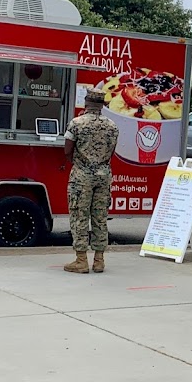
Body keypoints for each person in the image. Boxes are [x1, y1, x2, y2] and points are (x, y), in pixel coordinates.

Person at [62, 88, 120, 274]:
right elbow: (112, 151)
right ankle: (99, 260)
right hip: (104, 176)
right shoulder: (112, 126)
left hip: (82, 176)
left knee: (80, 215)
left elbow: (67, 150)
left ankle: (81, 260)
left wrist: (79, 163)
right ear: (102, 105)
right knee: (100, 216)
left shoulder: (77, 123)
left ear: (86, 103)